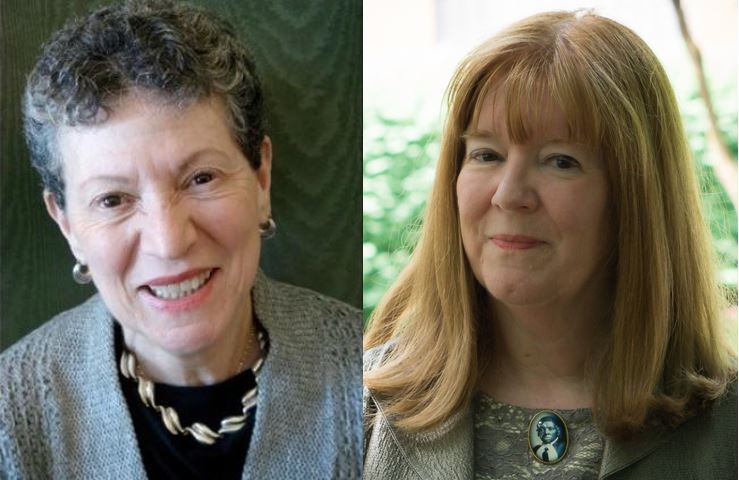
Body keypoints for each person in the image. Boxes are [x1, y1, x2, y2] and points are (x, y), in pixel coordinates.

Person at [363, 10, 737, 480]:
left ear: (636, 199)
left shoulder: (730, 427)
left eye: (560, 161)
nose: (509, 194)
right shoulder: (357, 408)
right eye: (487, 154)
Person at [0, 1, 361, 478]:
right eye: (112, 200)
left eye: (201, 178)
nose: (169, 242)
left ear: (261, 179)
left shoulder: (372, 375)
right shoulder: (10, 413)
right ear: (67, 225)